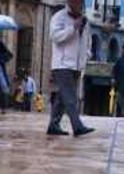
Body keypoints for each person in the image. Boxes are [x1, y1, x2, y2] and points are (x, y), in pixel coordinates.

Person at [47, 0, 94, 137]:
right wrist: (73, 28)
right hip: (62, 65)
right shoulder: (59, 17)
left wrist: (87, 55)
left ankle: (53, 125)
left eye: (80, 2)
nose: (79, 4)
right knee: (70, 97)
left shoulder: (85, 21)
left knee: (63, 97)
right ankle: (77, 126)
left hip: (77, 65)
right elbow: (55, 37)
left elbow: (88, 41)